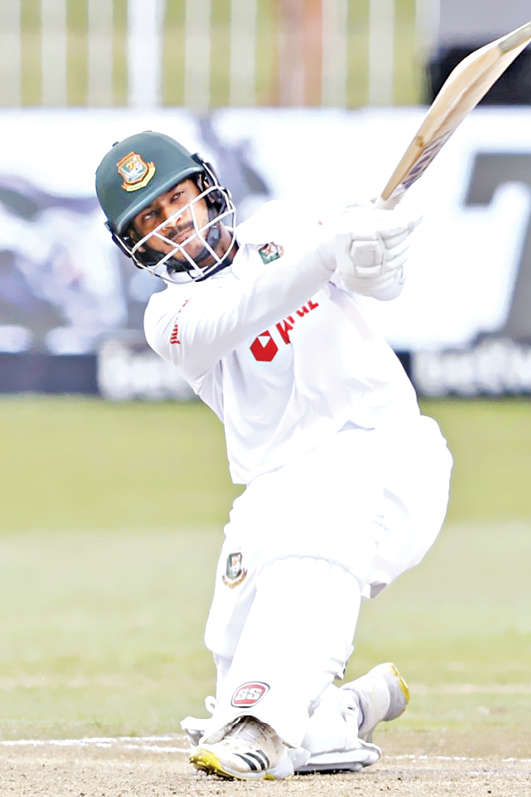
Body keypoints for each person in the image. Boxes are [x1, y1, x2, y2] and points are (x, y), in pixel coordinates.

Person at [93, 131, 452, 779]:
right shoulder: (169, 317)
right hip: (276, 489)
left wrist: (372, 254)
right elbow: (244, 307)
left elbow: (380, 285)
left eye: (176, 197)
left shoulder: (288, 225)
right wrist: (327, 249)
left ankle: (264, 727)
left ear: (206, 189)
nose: (172, 220)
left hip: (388, 457)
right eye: (150, 218)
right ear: (135, 245)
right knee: (233, 652)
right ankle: (344, 711)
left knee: (311, 548)